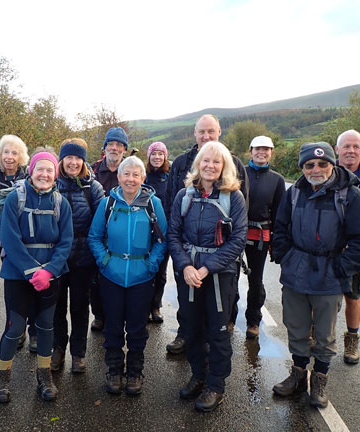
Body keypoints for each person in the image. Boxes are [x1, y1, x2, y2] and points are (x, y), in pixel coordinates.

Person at [272, 142, 360, 408]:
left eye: (322, 163)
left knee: (325, 333)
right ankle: (298, 374)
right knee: (296, 326)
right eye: (309, 165)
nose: (316, 169)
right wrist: (286, 258)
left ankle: (320, 378)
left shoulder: (350, 196)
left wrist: (341, 268)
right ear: (302, 167)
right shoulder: (293, 193)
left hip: (329, 275)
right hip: (295, 273)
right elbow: (280, 229)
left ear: (332, 164)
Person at [168, 141, 247, 412]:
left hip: (219, 275)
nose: (210, 166)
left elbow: (238, 240)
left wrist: (207, 267)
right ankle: (198, 375)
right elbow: (173, 235)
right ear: (198, 164)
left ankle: (216, 385)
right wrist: (185, 267)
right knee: (191, 328)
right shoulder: (184, 195)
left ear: (224, 166)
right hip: (189, 275)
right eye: (206, 161)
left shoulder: (233, 197)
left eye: (216, 162)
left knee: (217, 331)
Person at [0, 149, 73, 403]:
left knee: (46, 326)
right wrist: (31, 270)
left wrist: (49, 271)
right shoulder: (15, 198)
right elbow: (9, 238)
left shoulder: (61, 203)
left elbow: (66, 242)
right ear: (31, 171)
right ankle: (2, 376)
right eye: (40, 169)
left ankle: (44, 375)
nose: (45, 174)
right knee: (15, 328)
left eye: (50, 170)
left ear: (55, 174)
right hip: (18, 275)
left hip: (50, 275)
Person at [165, 114, 249, 355]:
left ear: (219, 131)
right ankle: (185, 335)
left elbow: (240, 215)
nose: (206, 136)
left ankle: (218, 338)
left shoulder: (234, 166)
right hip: (186, 249)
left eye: (210, 131)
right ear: (195, 133)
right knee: (189, 305)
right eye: (201, 131)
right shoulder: (181, 162)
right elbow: (173, 201)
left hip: (219, 257)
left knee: (217, 317)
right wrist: (182, 257)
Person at [88, 156, 168, 396]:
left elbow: (162, 240)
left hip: (141, 278)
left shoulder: (153, 203)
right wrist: (105, 262)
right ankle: (114, 370)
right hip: (111, 276)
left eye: (136, 175)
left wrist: (151, 265)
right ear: (119, 177)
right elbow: (94, 237)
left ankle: (134, 371)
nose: (130, 179)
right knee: (112, 326)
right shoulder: (107, 203)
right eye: (126, 174)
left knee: (137, 328)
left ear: (143, 178)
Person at [51, 139, 105, 373]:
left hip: (84, 258)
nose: (73, 162)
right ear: (62, 161)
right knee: (56, 306)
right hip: (56, 257)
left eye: (77, 158)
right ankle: (58, 349)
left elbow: (101, 225)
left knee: (80, 307)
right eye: (69, 158)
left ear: (83, 161)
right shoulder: (51, 185)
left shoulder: (93, 188)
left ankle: (78, 353)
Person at [0, 134, 32, 351]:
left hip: (29, 240)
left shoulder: (30, 177)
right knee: (13, 288)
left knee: (32, 285)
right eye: (6, 152)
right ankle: (15, 329)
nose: (10, 157)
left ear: (21, 156)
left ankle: (33, 330)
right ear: (0, 154)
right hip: (6, 240)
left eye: (15, 153)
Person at [335, 129, 360, 364]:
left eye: (355, 146)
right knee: (320, 294)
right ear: (337, 149)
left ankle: (352, 340)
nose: (350, 150)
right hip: (328, 247)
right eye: (346, 146)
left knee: (352, 295)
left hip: (358, 249)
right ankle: (314, 333)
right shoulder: (326, 171)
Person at [243, 136, 285, 339]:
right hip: (236, 231)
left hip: (261, 233)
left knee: (255, 279)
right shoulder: (238, 172)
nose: (262, 152)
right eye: (258, 148)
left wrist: (276, 241)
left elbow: (279, 212)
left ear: (271, 152)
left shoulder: (277, 180)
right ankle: (230, 318)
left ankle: (253, 320)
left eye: (266, 149)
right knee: (230, 277)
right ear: (250, 151)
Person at [90, 127, 129, 332]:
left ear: (124, 149)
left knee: (120, 275)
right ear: (105, 148)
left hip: (124, 232)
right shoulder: (92, 170)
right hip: (97, 232)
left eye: (119, 145)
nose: (114, 148)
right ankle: (99, 315)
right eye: (111, 144)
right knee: (95, 277)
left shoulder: (130, 170)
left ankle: (118, 316)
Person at [145, 141, 170, 323]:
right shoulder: (143, 177)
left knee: (161, 271)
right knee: (147, 269)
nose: (157, 157)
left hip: (164, 230)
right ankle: (145, 306)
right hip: (145, 230)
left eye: (160, 154)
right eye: (154, 154)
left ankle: (156, 306)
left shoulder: (170, 177)